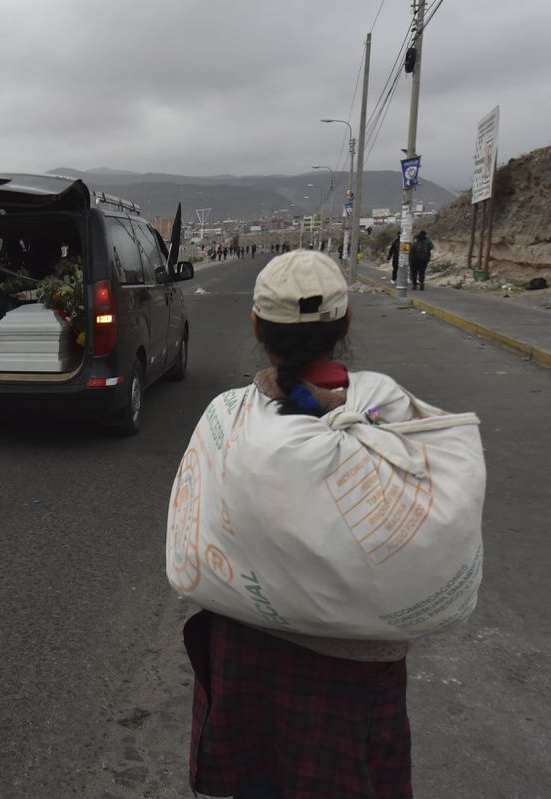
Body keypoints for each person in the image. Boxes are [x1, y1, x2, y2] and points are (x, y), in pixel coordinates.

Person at [180, 251, 413, 799]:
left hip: (247, 655)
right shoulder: (390, 414)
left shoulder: (229, 418)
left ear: (258, 328)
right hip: (354, 672)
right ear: (346, 324)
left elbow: (199, 526)